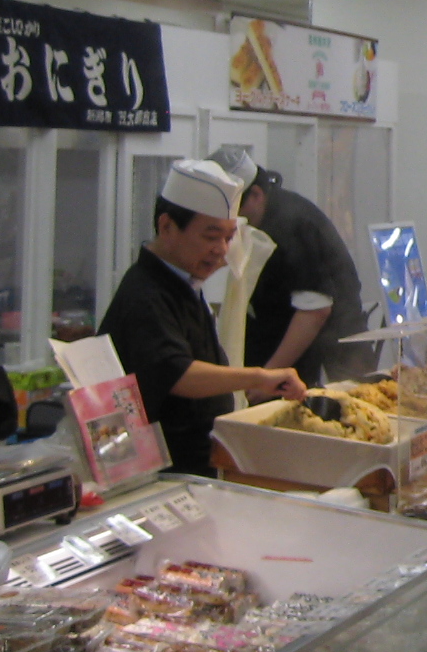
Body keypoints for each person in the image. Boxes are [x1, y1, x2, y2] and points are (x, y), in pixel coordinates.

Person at [99, 160, 307, 476]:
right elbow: (179, 374)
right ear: (167, 226)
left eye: (228, 237)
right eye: (211, 237)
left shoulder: (185, 284)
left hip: (203, 464)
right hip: (168, 473)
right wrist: (258, 377)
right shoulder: (144, 294)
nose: (221, 250)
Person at [210, 149, 368, 386]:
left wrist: (268, 377)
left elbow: (314, 311)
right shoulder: (260, 219)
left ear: (256, 195)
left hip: (329, 338)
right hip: (273, 335)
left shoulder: (294, 223)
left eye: (233, 211)